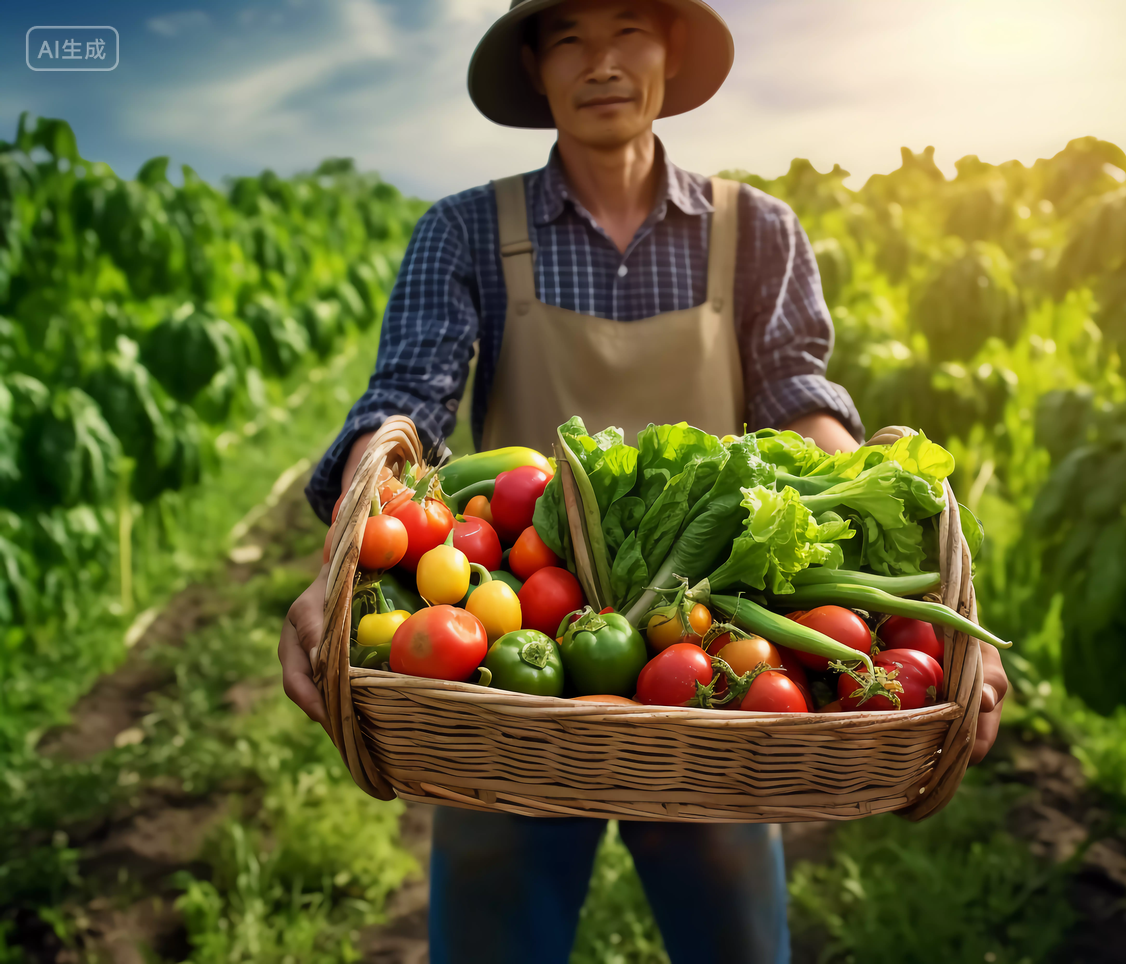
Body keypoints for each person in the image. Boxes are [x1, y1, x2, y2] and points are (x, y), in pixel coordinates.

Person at [279, 1, 1010, 961]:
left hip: (714, 640)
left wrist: (895, 540)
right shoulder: (465, 231)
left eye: (628, 28)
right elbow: (405, 402)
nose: (602, 63)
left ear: (669, 50)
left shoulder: (758, 230)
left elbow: (799, 394)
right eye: (569, 38)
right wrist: (347, 554)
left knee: (734, 930)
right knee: (498, 919)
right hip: (517, 637)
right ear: (536, 70)